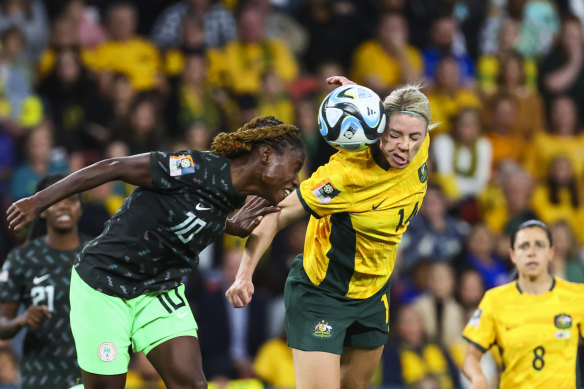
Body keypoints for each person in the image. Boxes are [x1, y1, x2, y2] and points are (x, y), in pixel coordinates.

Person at [6, 116, 305, 389]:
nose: (296, 181)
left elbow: (190, 213)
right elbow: (114, 167)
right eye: (294, 169)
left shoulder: (236, 196)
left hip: (159, 289)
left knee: (193, 385)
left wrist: (229, 226)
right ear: (266, 155)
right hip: (104, 284)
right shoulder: (192, 167)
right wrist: (38, 201)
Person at [226, 76, 437, 388]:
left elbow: (402, 118)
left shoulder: (419, 147)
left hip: (373, 293)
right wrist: (244, 274)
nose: (405, 146)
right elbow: (275, 217)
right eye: (394, 135)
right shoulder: (343, 176)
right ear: (379, 129)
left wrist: (360, 95)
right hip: (323, 294)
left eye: (414, 137)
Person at [462, 220, 584, 388]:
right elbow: (471, 356)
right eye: (524, 246)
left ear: (551, 253)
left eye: (539, 245)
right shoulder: (495, 300)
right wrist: (477, 377)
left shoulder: (577, 296)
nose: (532, 253)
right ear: (513, 255)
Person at [0, 174, 86, 389]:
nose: (65, 206)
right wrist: (21, 321)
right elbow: (2, 324)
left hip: (92, 371)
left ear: (81, 208)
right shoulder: (21, 258)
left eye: (72, 200)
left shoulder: (98, 254)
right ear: (43, 209)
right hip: (41, 375)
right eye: (57, 200)